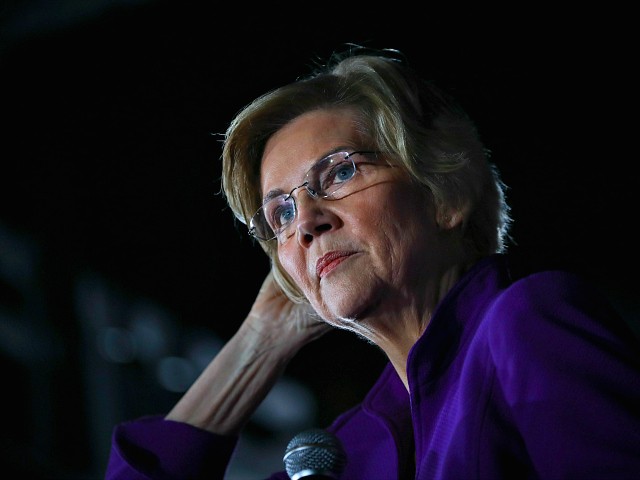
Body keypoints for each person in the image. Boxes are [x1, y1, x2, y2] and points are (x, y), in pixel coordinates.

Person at [105, 45, 640, 479]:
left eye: (339, 174)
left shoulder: (525, 322)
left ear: (443, 192)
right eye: (281, 213)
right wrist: (260, 343)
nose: (306, 222)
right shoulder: (344, 456)